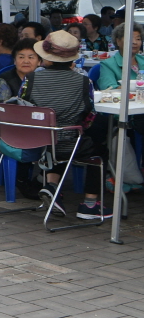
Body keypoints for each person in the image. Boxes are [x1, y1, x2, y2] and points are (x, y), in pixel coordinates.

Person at [20, 30, 110, 219]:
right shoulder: (84, 81)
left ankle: (53, 187)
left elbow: (22, 107)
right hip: (67, 143)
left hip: (34, 143)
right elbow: (89, 116)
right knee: (97, 148)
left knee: (56, 135)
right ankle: (89, 204)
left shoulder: (30, 79)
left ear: (47, 58)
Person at [97, 23, 144, 90]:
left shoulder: (142, 60)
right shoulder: (108, 64)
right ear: (118, 41)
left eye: (138, 39)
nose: (134, 42)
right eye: (130, 38)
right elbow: (109, 87)